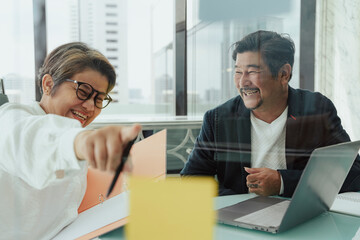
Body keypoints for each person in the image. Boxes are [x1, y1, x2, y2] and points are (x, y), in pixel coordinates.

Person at [181, 30, 360, 197]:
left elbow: (353, 174)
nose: (243, 82)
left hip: (300, 217)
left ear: (283, 74)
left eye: (252, 72)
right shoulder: (218, 119)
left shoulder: (317, 109)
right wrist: (240, 204)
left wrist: (282, 182)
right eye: (237, 72)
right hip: (239, 219)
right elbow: (191, 180)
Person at [0, 42, 141, 240]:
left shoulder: (74, 139)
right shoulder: (11, 119)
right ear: (48, 85)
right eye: (83, 91)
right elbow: (30, 141)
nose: (91, 106)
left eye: (100, 99)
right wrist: (81, 142)